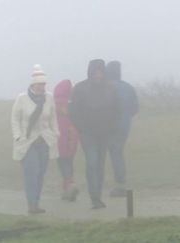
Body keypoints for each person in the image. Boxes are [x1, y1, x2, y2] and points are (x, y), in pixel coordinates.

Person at [69, 59, 122, 209]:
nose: (98, 74)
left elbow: (118, 110)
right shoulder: (80, 88)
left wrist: (113, 126)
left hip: (104, 133)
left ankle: (97, 196)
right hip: (87, 134)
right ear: (90, 71)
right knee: (92, 163)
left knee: (100, 164)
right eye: (95, 71)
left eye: (101, 71)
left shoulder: (111, 89)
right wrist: (81, 128)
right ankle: (94, 197)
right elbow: (73, 111)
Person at [11, 64, 59, 214]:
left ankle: (36, 202)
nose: (41, 87)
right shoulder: (22, 99)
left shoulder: (49, 98)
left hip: (44, 140)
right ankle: (31, 204)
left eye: (43, 84)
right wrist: (18, 136)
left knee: (40, 173)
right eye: (39, 84)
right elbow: (15, 118)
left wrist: (56, 132)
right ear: (33, 84)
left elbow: (53, 117)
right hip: (27, 141)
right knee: (32, 171)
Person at [106, 61, 139, 197]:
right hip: (124, 126)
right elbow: (134, 109)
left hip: (106, 125)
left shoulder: (105, 87)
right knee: (117, 153)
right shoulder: (128, 88)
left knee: (102, 153)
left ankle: (100, 183)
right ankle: (120, 183)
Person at [54, 79, 79, 201]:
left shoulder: (54, 103)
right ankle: (69, 187)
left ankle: (69, 185)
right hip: (72, 135)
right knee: (69, 161)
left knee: (62, 161)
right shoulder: (72, 103)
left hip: (59, 136)